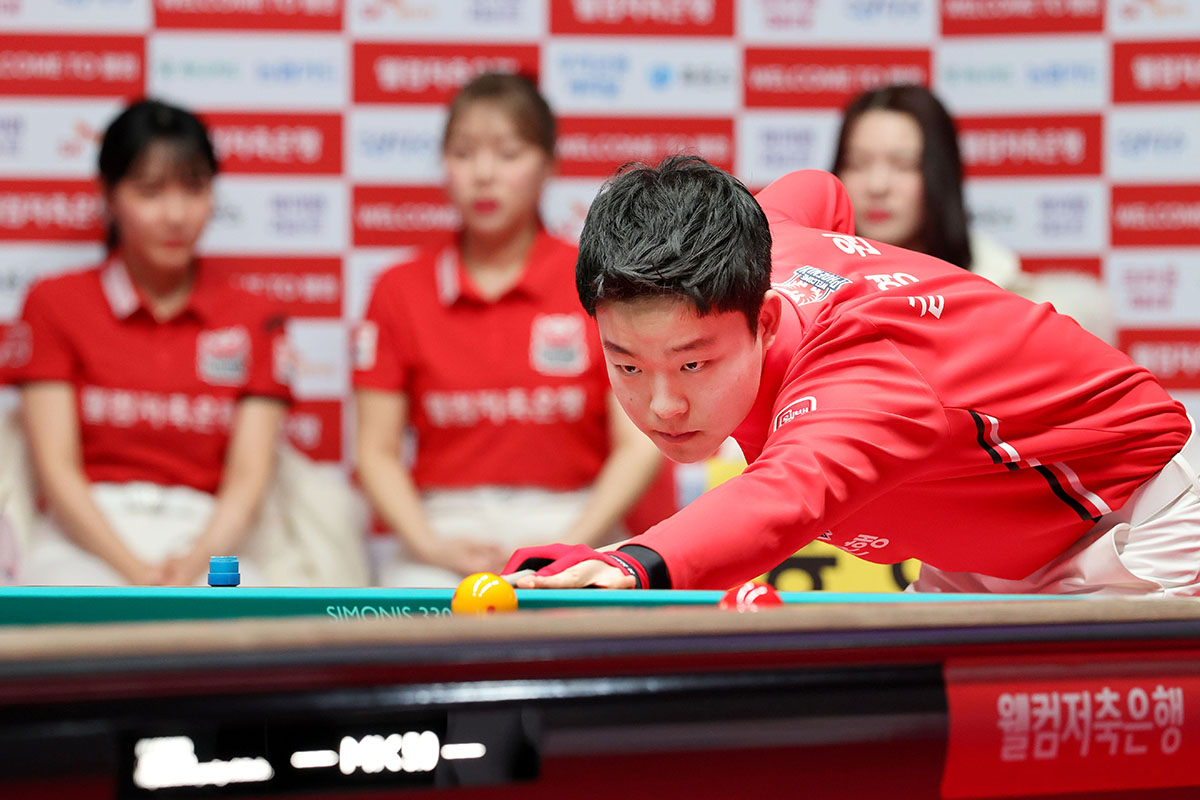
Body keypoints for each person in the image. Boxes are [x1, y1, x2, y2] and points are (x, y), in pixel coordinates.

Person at [503, 155, 1200, 596]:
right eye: (626, 364)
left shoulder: (861, 380)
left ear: (767, 324)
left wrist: (631, 564)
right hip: (982, 556)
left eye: (694, 362)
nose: (662, 403)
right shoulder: (762, 244)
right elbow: (817, 190)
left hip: (1139, 521)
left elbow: (783, 499)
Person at [353, 72, 664, 588]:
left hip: (577, 521)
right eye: (463, 152)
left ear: (549, 165)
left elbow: (638, 445)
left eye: (509, 153)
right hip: (442, 531)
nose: (483, 174)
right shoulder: (398, 289)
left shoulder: (601, 280)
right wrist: (432, 545)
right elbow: (375, 451)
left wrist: (572, 543)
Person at [6, 99, 291, 586]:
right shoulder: (54, 303)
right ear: (109, 196)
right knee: (68, 620)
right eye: (150, 191)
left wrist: (198, 559)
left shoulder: (255, 316)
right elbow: (56, 469)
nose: (176, 214)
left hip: (209, 539)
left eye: (195, 188)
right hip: (87, 538)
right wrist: (134, 571)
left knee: (247, 620)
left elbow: (248, 479)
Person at [831, 83, 1116, 344]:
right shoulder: (801, 299)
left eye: (905, 165)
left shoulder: (1015, 309)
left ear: (939, 173)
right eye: (857, 163)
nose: (877, 186)